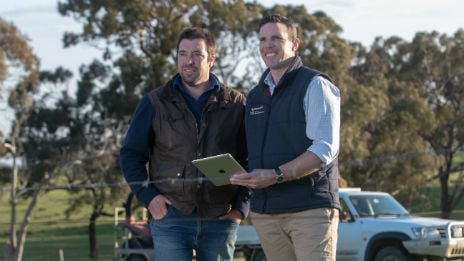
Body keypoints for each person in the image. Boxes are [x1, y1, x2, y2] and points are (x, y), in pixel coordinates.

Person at [120, 27, 249, 261]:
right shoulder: (154, 102)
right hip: (171, 217)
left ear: (211, 59)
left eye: (197, 54)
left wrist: (241, 208)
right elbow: (130, 155)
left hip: (221, 217)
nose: (188, 61)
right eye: (182, 54)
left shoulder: (235, 103)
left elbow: (251, 157)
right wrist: (149, 197)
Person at [230, 14, 341, 261]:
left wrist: (275, 175)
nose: (268, 45)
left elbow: (324, 149)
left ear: (294, 44)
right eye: (263, 39)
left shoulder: (315, 85)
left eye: (276, 38)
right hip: (266, 213)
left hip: (309, 210)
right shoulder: (255, 96)